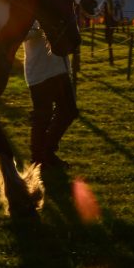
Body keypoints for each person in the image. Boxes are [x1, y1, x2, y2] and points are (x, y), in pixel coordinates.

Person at [23, 22, 79, 168]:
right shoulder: (29, 9)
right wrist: (41, 29)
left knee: (69, 111)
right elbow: (21, 34)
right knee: (42, 117)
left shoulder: (58, 7)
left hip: (60, 69)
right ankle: (38, 160)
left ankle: (46, 153)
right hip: (39, 71)